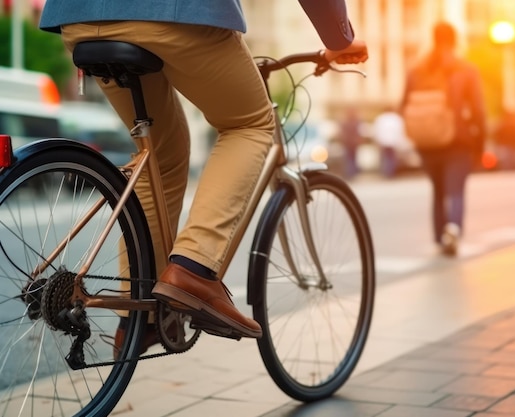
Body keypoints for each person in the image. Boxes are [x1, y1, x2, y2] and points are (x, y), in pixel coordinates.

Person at [39, 1, 368, 351]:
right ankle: (194, 268)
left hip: (78, 17)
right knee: (250, 123)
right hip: (175, 12)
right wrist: (339, 38)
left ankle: (139, 320)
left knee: (161, 155)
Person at [401, 22, 486, 257]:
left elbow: (404, 106)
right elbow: (478, 111)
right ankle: (454, 229)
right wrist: (480, 143)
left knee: (438, 190)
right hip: (457, 141)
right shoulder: (465, 70)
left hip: (427, 142)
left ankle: (440, 237)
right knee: (456, 190)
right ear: (454, 40)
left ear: (434, 38)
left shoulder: (417, 70)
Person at [371, 106, 406, 178]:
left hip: (383, 141)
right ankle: (391, 173)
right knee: (392, 158)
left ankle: (386, 173)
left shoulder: (380, 118)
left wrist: (377, 141)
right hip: (393, 142)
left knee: (385, 158)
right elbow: (401, 131)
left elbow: (376, 131)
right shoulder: (396, 118)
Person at [339, 106, 363, 179]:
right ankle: (352, 173)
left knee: (349, 159)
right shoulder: (357, 121)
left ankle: (350, 173)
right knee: (352, 158)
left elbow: (341, 133)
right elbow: (360, 132)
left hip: (347, 143)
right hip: (353, 143)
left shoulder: (344, 121)